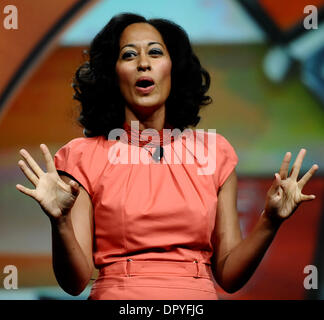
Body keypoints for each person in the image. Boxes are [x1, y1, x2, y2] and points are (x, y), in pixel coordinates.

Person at [16, 13, 319, 300]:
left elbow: (229, 274)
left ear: (174, 69)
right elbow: (75, 281)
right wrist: (60, 223)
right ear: (113, 73)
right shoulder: (83, 157)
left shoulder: (215, 152)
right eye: (129, 55)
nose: (143, 64)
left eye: (155, 53)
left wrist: (271, 220)